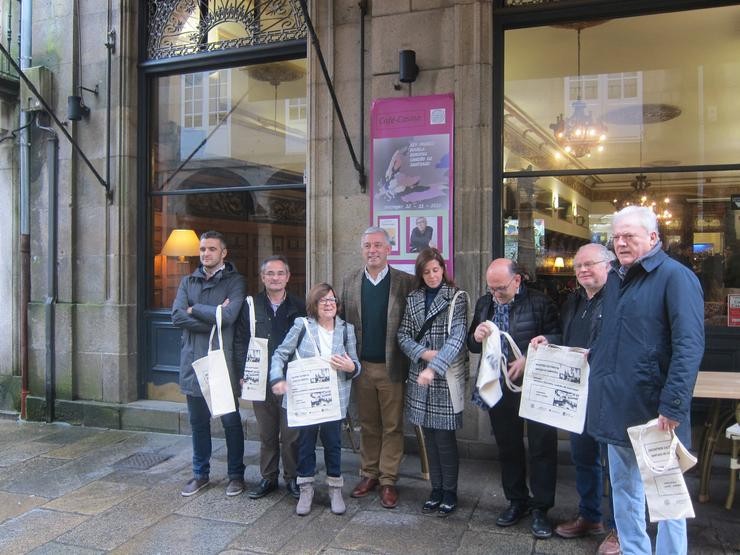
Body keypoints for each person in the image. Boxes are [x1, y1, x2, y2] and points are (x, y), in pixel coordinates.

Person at [587, 206, 704, 555]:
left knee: (667, 501)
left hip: (656, 412)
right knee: (624, 491)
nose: (620, 243)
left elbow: (689, 345)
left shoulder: (676, 277)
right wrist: (591, 355)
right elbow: (617, 337)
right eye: (616, 237)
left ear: (653, 238)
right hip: (616, 404)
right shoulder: (616, 279)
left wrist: (673, 405)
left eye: (629, 236)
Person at [531, 244, 620, 555]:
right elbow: (570, 340)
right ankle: (591, 516)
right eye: (578, 265)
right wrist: (549, 341)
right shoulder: (575, 300)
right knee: (584, 457)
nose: (583, 270)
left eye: (590, 264)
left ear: (608, 265)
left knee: (616, 466)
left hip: (609, 393)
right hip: (577, 392)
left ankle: (620, 529)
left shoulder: (620, 299)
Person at [467, 259, 561, 539]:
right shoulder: (486, 303)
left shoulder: (540, 302)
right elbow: (473, 345)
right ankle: (516, 501)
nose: (495, 293)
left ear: (517, 280)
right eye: (491, 288)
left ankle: (541, 509)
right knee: (508, 446)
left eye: (501, 288)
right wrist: (476, 334)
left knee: (542, 446)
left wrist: (529, 357)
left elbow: (558, 336)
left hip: (536, 385)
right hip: (499, 385)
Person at [270, 283, 361, 516]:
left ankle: (334, 489)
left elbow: (356, 365)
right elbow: (280, 354)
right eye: (323, 300)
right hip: (306, 400)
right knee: (305, 445)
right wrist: (277, 378)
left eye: (332, 299)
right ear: (314, 304)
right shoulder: (302, 326)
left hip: (334, 400)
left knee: (333, 444)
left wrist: (352, 366)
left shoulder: (346, 329)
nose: (329, 304)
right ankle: (306, 488)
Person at [340, 226, 415, 508]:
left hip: (392, 367)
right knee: (368, 424)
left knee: (393, 426)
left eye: (378, 245)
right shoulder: (349, 282)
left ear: (389, 249)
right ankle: (369, 473)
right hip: (361, 367)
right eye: (367, 246)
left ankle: (388, 480)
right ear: (362, 250)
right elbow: (342, 324)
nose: (372, 250)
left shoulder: (405, 282)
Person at [171, 230, 247, 497]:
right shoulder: (187, 281)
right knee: (198, 422)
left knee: (231, 422)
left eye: (212, 249)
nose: (206, 254)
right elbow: (177, 316)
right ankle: (200, 474)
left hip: (221, 362)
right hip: (193, 361)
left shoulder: (235, 281)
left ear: (223, 253)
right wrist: (211, 315)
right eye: (203, 249)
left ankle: (236, 475)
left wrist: (196, 309)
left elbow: (228, 317)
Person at [397, 248, 468, 517]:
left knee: (445, 439)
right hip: (419, 376)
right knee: (429, 437)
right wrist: (422, 354)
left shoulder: (457, 297)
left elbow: (458, 338)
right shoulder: (413, 298)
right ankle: (435, 489)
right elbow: (402, 334)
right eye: (426, 271)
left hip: (444, 378)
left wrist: (434, 367)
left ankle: (450, 491)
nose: (431, 276)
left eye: (435, 270)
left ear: (443, 269)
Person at [233, 255, 306, 500]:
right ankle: (268, 477)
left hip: (289, 380)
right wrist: (244, 372)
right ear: (263, 277)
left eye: (280, 273)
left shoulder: (299, 305)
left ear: (288, 277)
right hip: (260, 378)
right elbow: (241, 340)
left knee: (291, 434)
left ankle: (292, 478)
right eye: (270, 274)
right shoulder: (250, 305)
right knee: (266, 433)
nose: (275, 278)